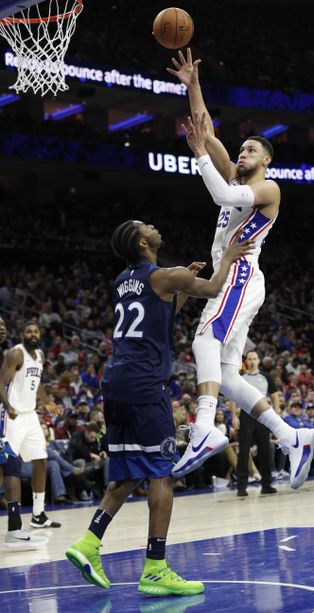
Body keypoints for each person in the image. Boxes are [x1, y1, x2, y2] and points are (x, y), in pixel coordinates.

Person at [66, 218, 253, 596]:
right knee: (162, 474)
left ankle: (87, 543)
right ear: (142, 242)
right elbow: (215, 288)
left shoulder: (124, 281)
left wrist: (180, 286)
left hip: (116, 382)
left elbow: (158, 316)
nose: (154, 226)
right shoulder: (165, 275)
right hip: (145, 385)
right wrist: (229, 257)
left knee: (129, 473)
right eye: (146, 226)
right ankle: (155, 568)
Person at [167, 49, 314, 488]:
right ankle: (293, 436)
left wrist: (197, 157)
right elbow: (206, 127)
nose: (242, 152)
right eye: (242, 148)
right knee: (229, 375)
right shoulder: (234, 174)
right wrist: (193, 84)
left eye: (251, 149)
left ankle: (204, 429)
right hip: (237, 277)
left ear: (266, 159)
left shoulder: (268, 188)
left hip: (240, 273)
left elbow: (222, 198)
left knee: (203, 338)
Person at [0, 320, 61, 528]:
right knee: (8, 466)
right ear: (21, 335)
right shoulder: (15, 354)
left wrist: (46, 402)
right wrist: (8, 406)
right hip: (13, 416)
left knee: (41, 461)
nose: (33, 334)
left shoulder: (40, 356)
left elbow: (38, 383)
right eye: (28, 331)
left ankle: (38, 514)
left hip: (30, 415)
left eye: (36, 331)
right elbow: (1, 382)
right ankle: (13, 519)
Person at [236, 351, 277, 496]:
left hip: (263, 416)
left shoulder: (266, 377)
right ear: (246, 361)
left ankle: (267, 484)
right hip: (246, 415)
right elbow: (234, 396)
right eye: (249, 359)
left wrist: (276, 414)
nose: (252, 361)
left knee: (264, 450)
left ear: (258, 360)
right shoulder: (240, 377)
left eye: (254, 359)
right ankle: (241, 486)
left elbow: (275, 395)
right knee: (244, 451)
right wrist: (234, 416)